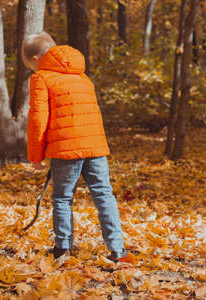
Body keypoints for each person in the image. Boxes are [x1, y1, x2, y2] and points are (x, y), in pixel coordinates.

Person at [22, 32, 128, 262]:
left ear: (37, 59)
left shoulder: (41, 78)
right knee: (104, 196)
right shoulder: (82, 77)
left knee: (62, 198)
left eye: (31, 65)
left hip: (65, 150)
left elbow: (38, 119)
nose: (33, 70)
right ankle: (117, 249)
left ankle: (62, 247)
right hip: (95, 146)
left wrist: (35, 155)